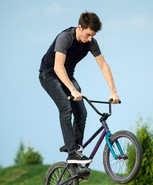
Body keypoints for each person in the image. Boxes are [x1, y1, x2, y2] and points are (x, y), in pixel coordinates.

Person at [39, 12, 120, 166]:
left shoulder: (91, 42)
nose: (90, 39)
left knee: (82, 112)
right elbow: (58, 66)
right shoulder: (65, 38)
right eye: (88, 34)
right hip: (49, 75)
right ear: (80, 27)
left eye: (93, 35)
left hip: (67, 76)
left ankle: (76, 148)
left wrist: (113, 91)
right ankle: (72, 152)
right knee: (65, 107)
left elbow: (103, 65)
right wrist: (73, 90)